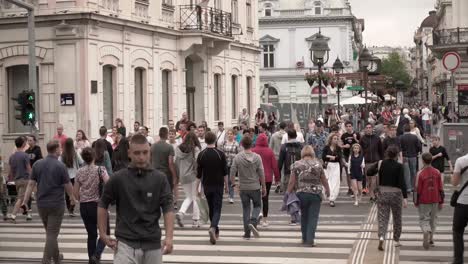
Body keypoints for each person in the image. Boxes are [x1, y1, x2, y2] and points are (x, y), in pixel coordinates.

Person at [98, 134, 174, 264]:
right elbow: (102, 204)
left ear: (150, 152)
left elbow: (168, 208)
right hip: (125, 244)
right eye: (137, 153)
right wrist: (103, 234)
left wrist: (169, 237)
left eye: (145, 152)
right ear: (129, 153)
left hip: (152, 244)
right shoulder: (118, 178)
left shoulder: (160, 178)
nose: (141, 157)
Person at [22, 140, 77, 264]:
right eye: (59, 148)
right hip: (56, 204)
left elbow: (31, 184)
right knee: (52, 234)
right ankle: (45, 260)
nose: (61, 150)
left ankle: (57, 258)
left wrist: (25, 201)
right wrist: (72, 198)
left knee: (50, 233)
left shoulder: (37, 164)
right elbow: (68, 185)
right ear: (56, 149)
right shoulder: (60, 166)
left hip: (42, 204)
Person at [287, 145, 330, 247]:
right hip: (316, 194)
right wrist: (328, 189)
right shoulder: (318, 164)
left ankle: (304, 238)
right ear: (312, 153)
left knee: (304, 216)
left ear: (302, 153)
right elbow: (323, 179)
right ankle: (310, 240)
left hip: (301, 193)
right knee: (313, 217)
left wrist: (287, 193)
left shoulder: (296, 164)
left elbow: (292, 182)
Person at [73, 147, 110, 264]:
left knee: (91, 234)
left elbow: (75, 192)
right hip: (98, 205)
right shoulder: (101, 170)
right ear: (94, 157)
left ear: (83, 158)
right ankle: (97, 254)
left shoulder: (79, 172)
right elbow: (109, 185)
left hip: (84, 207)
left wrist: (81, 198)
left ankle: (91, 260)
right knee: (106, 232)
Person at [231, 135, 266, 240]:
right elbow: (261, 173)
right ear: (252, 144)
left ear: (241, 145)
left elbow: (232, 172)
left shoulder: (238, 157)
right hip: (255, 186)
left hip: (243, 188)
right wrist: (263, 186)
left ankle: (247, 234)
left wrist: (234, 184)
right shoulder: (257, 157)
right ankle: (254, 220)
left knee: (246, 209)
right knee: (257, 206)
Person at [196, 131, 228, 245]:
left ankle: (215, 231)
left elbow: (199, 174)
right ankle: (213, 227)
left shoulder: (201, 154)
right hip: (218, 184)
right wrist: (227, 186)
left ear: (205, 140)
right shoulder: (220, 154)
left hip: (207, 185)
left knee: (211, 208)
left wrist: (197, 188)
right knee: (217, 208)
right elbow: (225, 172)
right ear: (215, 140)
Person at [374, 146, 408, 251]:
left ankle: (381, 236)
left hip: (383, 193)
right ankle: (396, 240)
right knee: (397, 217)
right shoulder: (399, 166)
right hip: (396, 194)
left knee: (383, 217)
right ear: (397, 155)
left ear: (387, 153)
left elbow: (369, 172)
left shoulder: (381, 163)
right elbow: (402, 182)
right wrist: (405, 197)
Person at [414, 152, 444, 250]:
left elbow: (417, 189)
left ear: (423, 161)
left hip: (424, 199)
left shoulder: (420, 173)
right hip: (435, 198)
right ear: (432, 160)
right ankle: (431, 239)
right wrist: (442, 201)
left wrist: (416, 201)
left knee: (424, 219)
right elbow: (440, 188)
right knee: (433, 219)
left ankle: (426, 231)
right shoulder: (437, 172)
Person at [252, 133, 280, 227]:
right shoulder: (269, 151)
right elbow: (275, 166)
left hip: (255, 177)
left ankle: (257, 214)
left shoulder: (253, 151)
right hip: (267, 178)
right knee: (265, 198)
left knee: (256, 198)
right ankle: (265, 220)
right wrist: (277, 179)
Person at [175, 132, 201, 228]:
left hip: (183, 176)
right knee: (196, 198)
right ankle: (195, 220)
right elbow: (197, 163)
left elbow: (176, 163)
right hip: (193, 175)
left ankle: (181, 213)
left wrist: (178, 175)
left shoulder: (178, 149)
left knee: (189, 197)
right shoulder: (196, 149)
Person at [7, 136, 32, 222]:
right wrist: (33, 177)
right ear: (23, 144)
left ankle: (28, 214)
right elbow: (28, 168)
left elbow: (10, 170)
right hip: (25, 179)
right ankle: (13, 215)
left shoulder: (12, 157)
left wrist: (10, 179)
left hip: (16, 180)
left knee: (22, 196)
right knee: (21, 198)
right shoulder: (25, 155)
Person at [59, 138, 84, 217]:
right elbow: (81, 162)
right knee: (75, 192)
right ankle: (72, 208)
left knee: (67, 193)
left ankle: (69, 209)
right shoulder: (75, 153)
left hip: (66, 176)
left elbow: (59, 164)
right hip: (75, 176)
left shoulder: (62, 154)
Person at [451, 152, 468, 264]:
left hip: (463, 202)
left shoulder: (461, 160)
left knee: (458, 231)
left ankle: (458, 261)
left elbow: (455, 183)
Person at [360, 123, 384, 201]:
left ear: (372, 129)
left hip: (375, 161)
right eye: (367, 127)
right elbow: (360, 150)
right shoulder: (362, 139)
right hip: (366, 161)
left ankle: (372, 195)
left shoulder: (377, 138)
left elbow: (381, 150)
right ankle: (371, 193)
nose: (368, 129)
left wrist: (381, 159)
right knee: (369, 179)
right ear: (365, 129)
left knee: (374, 179)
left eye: (369, 127)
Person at [151, 127, 178, 195]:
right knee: (167, 194)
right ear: (166, 135)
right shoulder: (169, 147)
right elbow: (170, 163)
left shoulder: (153, 146)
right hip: (166, 174)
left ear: (159, 134)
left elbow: (149, 160)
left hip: (154, 173)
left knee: (157, 193)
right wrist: (174, 176)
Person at [278, 129, 302, 195]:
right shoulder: (301, 146)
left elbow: (280, 163)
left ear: (288, 136)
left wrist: (278, 177)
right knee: (298, 195)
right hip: (299, 174)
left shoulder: (284, 147)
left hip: (288, 173)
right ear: (296, 136)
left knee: (288, 195)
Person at [400, 124, 422, 193]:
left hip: (404, 156)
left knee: (406, 173)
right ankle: (413, 187)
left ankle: (408, 188)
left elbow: (399, 147)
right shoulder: (414, 137)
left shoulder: (401, 137)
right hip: (413, 156)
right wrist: (417, 152)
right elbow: (419, 146)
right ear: (410, 129)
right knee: (413, 172)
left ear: (403, 130)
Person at [341, 121, 361, 196]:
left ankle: (357, 188)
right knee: (348, 173)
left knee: (356, 172)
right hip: (346, 155)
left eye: (350, 126)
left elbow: (361, 144)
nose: (348, 128)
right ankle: (350, 188)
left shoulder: (356, 134)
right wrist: (344, 146)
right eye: (347, 126)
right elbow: (340, 145)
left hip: (355, 155)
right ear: (345, 127)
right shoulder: (343, 135)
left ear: (352, 126)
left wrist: (355, 139)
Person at [322, 133, 342, 207]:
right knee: (328, 181)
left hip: (336, 166)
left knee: (335, 182)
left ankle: (332, 199)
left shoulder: (338, 148)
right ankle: (328, 194)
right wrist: (332, 157)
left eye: (337, 139)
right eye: (334, 138)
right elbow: (324, 157)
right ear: (331, 139)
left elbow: (339, 157)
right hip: (328, 166)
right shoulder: (326, 147)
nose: (336, 140)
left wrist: (329, 156)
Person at [221, 129, 240, 204]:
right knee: (224, 180)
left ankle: (231, 196)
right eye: (228, 134)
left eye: (231, 134)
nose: (229, 135)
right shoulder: (224, 143)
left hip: (232, 164)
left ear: (233, 135)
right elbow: (222, 153)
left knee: (231, 180)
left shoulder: (236, 143)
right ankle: (224, 193)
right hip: (224, 164)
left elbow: (238, 154)